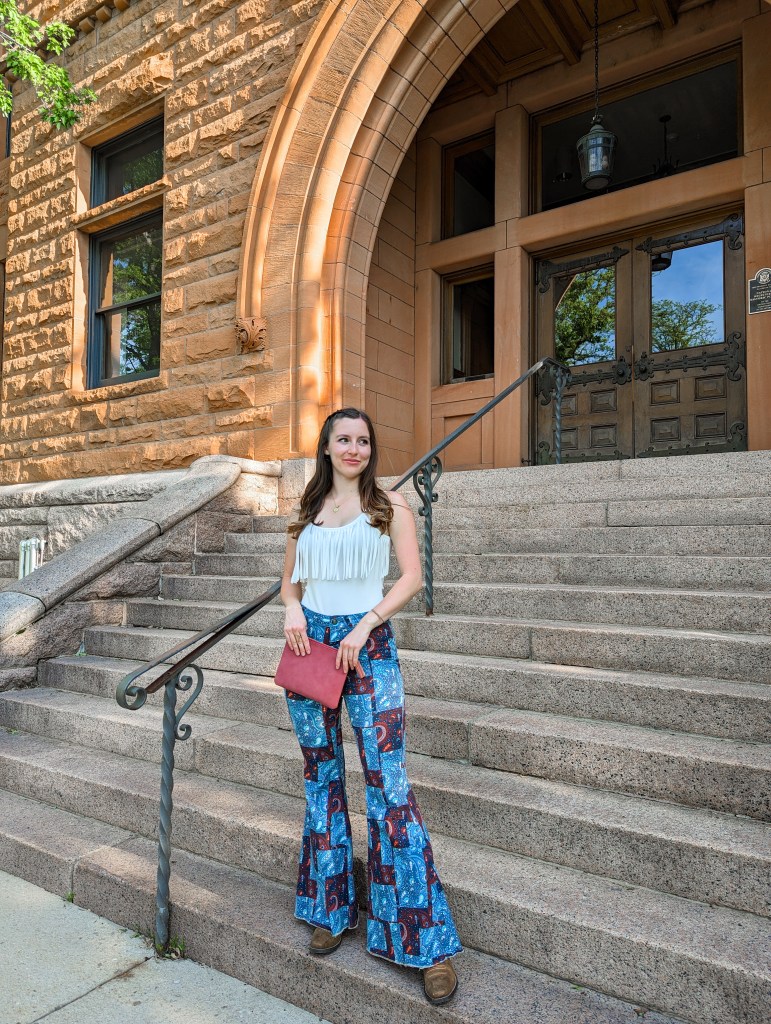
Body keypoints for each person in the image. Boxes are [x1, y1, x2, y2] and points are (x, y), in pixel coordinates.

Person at [280, 407, 462, 1005]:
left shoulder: (389, 505)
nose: (354, 448)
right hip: (310, 649)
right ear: (327, 447)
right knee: (321, 779)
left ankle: (423, 940)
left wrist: (366, 624)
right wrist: (292, 609)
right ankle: (329, 907)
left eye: (362, 440)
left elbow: (411, 578)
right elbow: (290, 583)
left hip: (369, 648)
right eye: (343, 439)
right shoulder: (307, 510)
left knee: (388, 783)